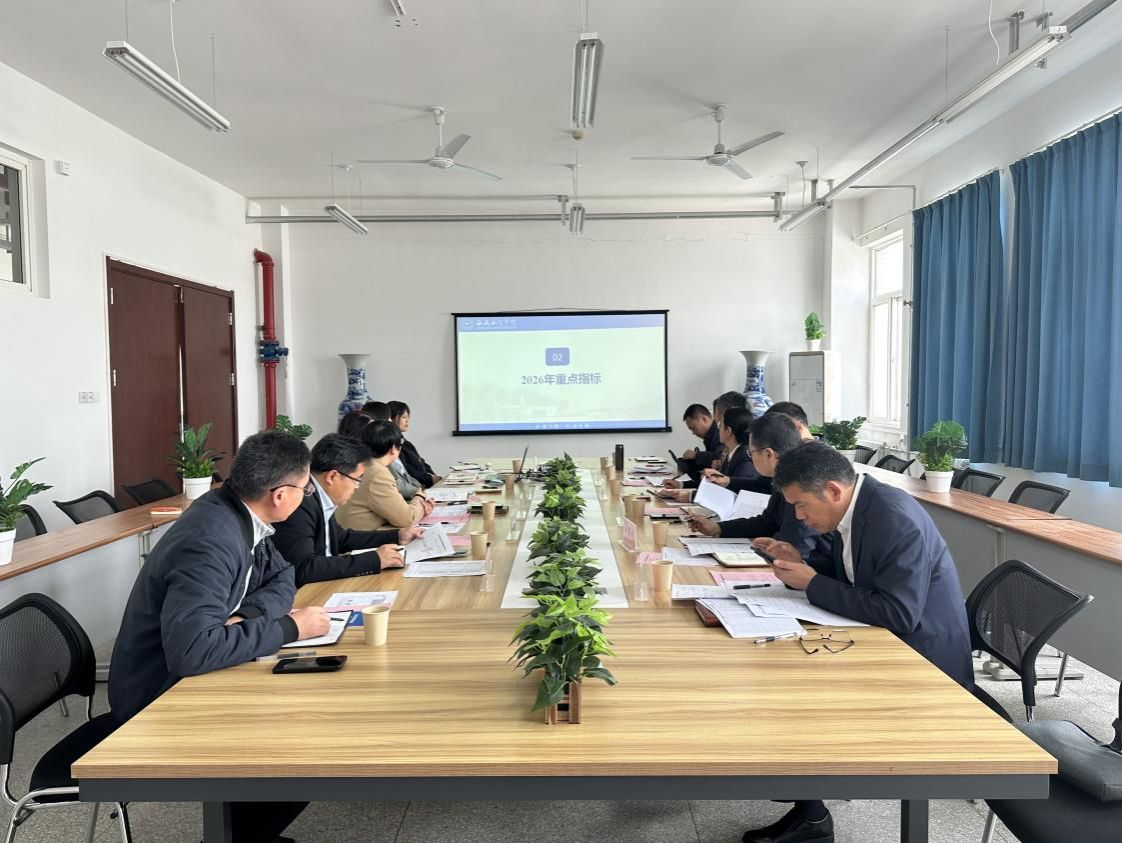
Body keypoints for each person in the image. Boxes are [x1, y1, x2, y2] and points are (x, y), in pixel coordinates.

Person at [740, 440, 973, 843]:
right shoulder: (857, 507)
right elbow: (853, 574)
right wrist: (800, 562)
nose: (799, 516)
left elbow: (898, 613)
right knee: (780, 671)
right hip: (885, 639)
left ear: (833, 490)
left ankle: (810, 812)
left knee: (794, 690)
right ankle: (809, 811)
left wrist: (812, 583)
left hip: (922, 661)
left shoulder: (892, 517)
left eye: (801, 506)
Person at [108, 430, 332, 843]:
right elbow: (193, 653)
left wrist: (246, 616)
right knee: (303, 752)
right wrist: (289, 628)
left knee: (305, 728)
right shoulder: (209, 540)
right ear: (280, 495)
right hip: (157, 697)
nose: (307, 497)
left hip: (192, 677)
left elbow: (283, 576)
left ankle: (246, 834)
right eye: (306, 489)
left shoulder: (238, 513)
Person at [273, 433, 424, 587]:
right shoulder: (300, 502)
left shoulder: (319, 494)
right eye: (357, 479)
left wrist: (397, 536)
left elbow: (341, 538)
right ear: (332, 476)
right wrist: (374, 560)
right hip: (306, 593)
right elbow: (304, 568)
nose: (357, 487)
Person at [686, 412, 817, 558]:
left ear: (769, 455)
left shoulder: (801, 485)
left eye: (751, 453)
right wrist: (718, 528)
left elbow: (796, 549)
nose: (750, 457)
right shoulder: (784, 476)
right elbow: (767, 522)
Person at [336, 419, 435, 531]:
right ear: (393, 449)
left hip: (352, 530)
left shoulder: (363, 463)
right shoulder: (377, 473)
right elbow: (407, 518)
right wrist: (419, 499)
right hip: (362, 536)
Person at [705, 402, 814, 494]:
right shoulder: (786, 468)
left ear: (797, 427)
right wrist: (727, 481)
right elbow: (763, 485)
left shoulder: (813, 467)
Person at [358, 402, 424, 500]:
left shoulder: (399, 444)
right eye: (389, 418)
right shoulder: (379, 458)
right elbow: (397, 485)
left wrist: (421, 490)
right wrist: (419, 494)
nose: (390, 421)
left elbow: (408, 474)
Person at [388, 400, 443, 488]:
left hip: (424, 484)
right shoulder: (393, 443)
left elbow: (421, 461)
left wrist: (433, 476)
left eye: (408, 417)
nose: (407, 421)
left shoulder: (404, 441)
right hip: (415, 488)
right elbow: (406, 469)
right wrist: (429, 479)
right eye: (403, 417)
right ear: (391, 419)